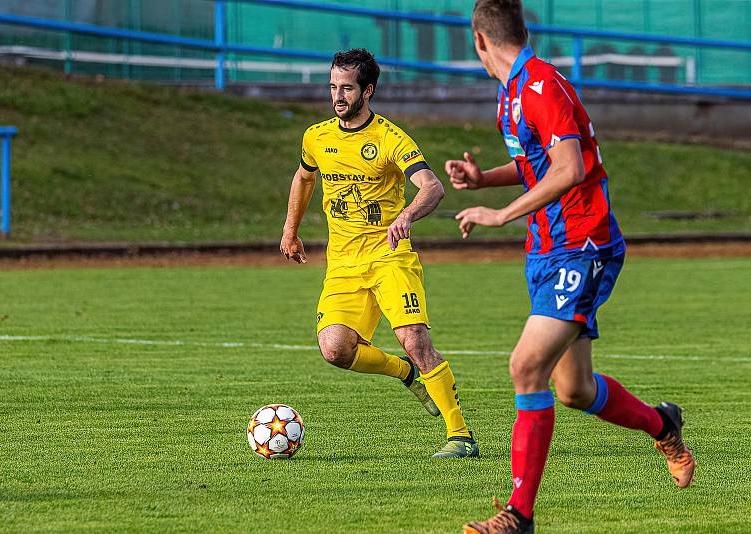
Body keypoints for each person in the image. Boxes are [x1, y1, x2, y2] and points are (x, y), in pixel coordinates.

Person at [447, 1, 695, 531]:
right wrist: (483, 179)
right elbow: (535, 163)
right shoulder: (511, 92)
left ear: (479, 41)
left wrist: (500, 214)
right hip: (547, 250)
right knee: (575, 389)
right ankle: (663, 424)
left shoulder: (542, 86)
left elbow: (570, 167)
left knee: (525, 366)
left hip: (582, 247)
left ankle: (517, 515)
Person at [281, 48, 478, 458]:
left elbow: (432, 186)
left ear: (367, 90)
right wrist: (290, 230)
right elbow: (304, 178)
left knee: (415, 341)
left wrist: (406, 215)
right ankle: (403, 373)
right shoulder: (316, 137)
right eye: (333, 86)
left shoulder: (390, 138)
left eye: (347, 88)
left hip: (389, 258)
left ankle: (460, 436)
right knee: (335, 349)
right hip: (343, 265)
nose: (337, 95)